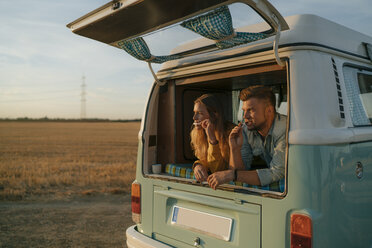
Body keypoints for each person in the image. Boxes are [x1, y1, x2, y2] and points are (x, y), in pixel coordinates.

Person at [207, 85, 286, 189]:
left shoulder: (285, 129)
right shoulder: (245, 130)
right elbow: (240, 173)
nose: (245, 116)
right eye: (244, 110)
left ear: (269, 111)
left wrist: (231, 175)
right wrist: (235, 148)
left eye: (251, 110)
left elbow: (276, 172)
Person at [190, 94, 235, 182]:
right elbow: (205, 159)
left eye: (200, 113)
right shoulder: (199, 133)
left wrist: (212, 140)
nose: (194, 117)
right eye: (194, 112)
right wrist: (198, 164)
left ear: (214, 114)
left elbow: (218, 170)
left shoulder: (231, 134)